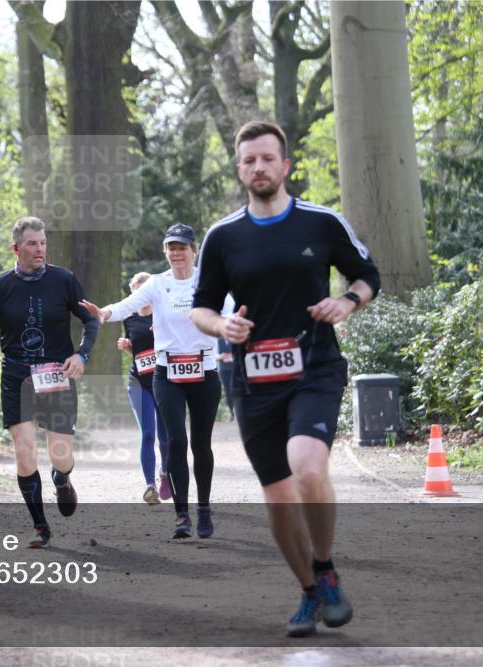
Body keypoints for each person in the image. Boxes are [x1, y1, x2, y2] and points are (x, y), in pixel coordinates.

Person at [189, 120, 381, 637]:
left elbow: (369, 275)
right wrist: (221, 324)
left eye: (267, 158)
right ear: (239, 169)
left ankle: (325, 569)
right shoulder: (223, 237)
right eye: (249, 161)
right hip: (251, 382)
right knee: (277, 495)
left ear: (285, 165)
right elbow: (200, 309)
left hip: (314, 368)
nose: (258, 167)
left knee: (309, 469)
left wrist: (347, 300)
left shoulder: (320, 223)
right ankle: (307, 592)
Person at [0, 216, 99, 549]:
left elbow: (90, 320)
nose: (40, 249)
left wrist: (81, 355)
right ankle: (40, 527)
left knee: (60, 454)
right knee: (24, 453)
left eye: (43, 243)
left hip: (57, 373)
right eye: (32, 244)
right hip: (17, 376)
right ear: (16, 248)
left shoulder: (63, 280)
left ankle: (62, 478)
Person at [80, 224, 221, 540]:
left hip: (204, 371)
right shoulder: (157, 284)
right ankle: (182, 515)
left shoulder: (210, 281)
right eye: (171, 247)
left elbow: (229, 313)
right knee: (174, 442)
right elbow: (127, 306)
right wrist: (102, 314)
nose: (176, 253)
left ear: (193, 250)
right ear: (165, 252)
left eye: (182, 247)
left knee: (201, 444)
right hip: (166, 372)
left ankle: (205, 509)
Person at [115, 272, 171, 504]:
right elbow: (137, 354)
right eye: (136, 292)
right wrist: (127, 348)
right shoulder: (129, 319)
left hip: (164, 381)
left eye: (144, 290)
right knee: (148, 434)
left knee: (165, 435)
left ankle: (165, 474)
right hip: (138, 382)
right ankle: (150, 486)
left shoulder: (163, 315)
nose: (141, 295)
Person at [216, 293, 237, 422]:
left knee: (237, 388)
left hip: (236, 366)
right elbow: (214, 354)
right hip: (224, 367)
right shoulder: (217, 338)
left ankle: (240, 412)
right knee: (228, 392)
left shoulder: (236, 336)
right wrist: (221, 356)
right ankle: (231, 412)